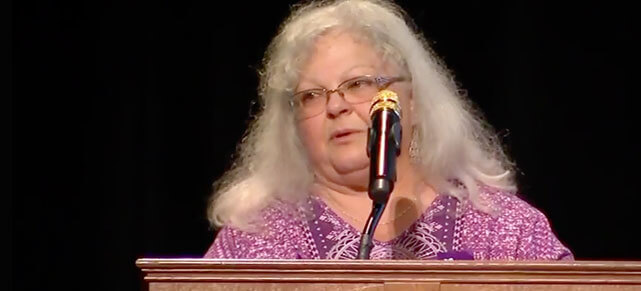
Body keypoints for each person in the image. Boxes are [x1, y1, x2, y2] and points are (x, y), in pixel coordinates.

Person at [204, 0, 573, 260]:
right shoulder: (257, 240)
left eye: (359, 83)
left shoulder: (504, 230)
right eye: (312, 96)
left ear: (412, 100)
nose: (335, 106)